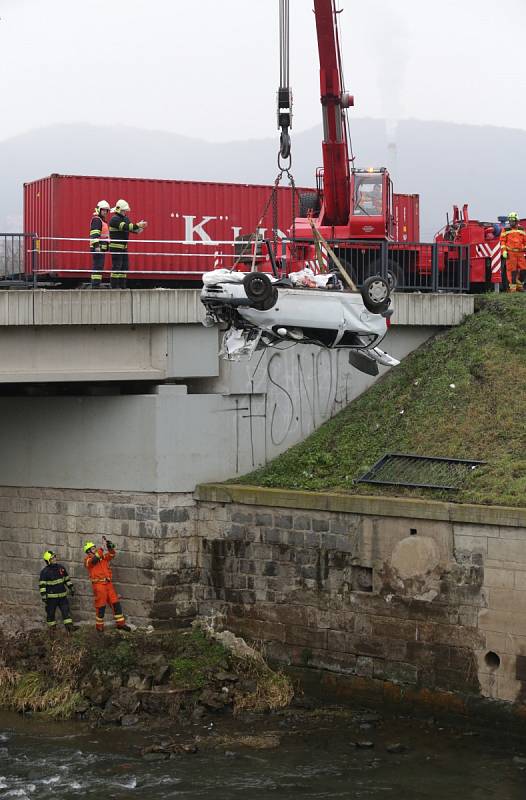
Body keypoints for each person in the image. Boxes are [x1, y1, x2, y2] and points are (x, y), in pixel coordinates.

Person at [83, 537, 131, 632]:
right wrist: (102, 548)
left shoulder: (102, 557)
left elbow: (112, 555)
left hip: (108, 584)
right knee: (100, 606)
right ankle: (99, 627)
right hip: (99, 585)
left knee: (116, 604)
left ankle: (120, 624)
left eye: (94, 547)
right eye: (93, 548)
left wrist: (110, 547)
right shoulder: (88, 560)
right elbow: (94, 560)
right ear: (88, 551)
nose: (95, 549)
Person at [108, 199, 147, 288]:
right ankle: (114, 287)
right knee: (117, 266)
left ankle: (122, 286)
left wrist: (140, 229)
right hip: (116, 247)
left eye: (125, 210)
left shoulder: (125, 218)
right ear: (119, 210)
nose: (125, 212)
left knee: (124, 267)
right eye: (124, 210)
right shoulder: (114, 219)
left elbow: (131, 228)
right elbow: (126, 226)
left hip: (124, 247)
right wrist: (138, 225)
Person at [39, 550, 76, 634]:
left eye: (54, 557)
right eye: (52, 558)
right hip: (51, 598)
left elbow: (66, 579)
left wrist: (71, 587)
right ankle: (52, 631)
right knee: (51, 614)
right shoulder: (44, 572)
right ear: (48, 561)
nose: (54, 559)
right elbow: (42, 585)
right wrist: (44, 596)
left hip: (62, 596)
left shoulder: (61, 568)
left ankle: (69, 629)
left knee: (66, 612)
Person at [500, 212, 526, 292]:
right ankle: (513, 288)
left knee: (523, 270)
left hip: (521, 253)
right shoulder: (505, 229)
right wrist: (504, 251)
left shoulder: (522, 229)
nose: (511, 223)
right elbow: (502, 241)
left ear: (517, 221)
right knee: (512, 271)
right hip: (510, 253)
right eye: (510, 221)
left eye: (513, 221)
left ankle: (519, 285)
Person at [89, 200, 111, 288]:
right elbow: (94, 234)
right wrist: (97, 246)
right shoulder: (97, 220)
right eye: (103, 210)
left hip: (101, 248)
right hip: (98, 248)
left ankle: (96, 284)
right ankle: (95, 285)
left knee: (99, 267)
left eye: (106, 210)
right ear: (99, 210)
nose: (105, 212)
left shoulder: (101, 221)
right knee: (97, 267)